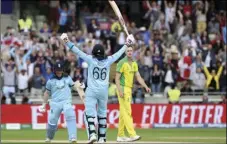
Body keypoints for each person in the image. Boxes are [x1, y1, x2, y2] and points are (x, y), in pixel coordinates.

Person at [60, 33, 135, 143]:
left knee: (89, 113)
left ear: (94, 53)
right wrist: (127, 44)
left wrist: (66, 41)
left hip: (92, 90)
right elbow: (119, 54)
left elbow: (76, 50)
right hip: (104, 92)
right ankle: (102, 138)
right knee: (102, 114)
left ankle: (92, 134)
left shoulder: (90, 59)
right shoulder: (109, 60)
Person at [38, 62, 82, 143]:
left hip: (66, 101)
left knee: (70, 115)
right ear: (54, 70)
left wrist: (79, 86)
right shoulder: (50, 81)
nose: (59, 72)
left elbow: (74, 87)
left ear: (63, 70)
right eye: (57, 70)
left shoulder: (68, 78)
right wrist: (44, 104)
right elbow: (47, 93)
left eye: (60, 70)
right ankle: (49, 137)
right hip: (55, 103)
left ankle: (72, 137)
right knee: (52, 120)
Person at [115, 46, 151, 142]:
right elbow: (117, 79)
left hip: (128, 89)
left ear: (133, 52)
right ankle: (132, 134)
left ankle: (120, 135)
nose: (130, 52)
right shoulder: (121, 62)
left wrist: (145, 86)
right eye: (128, 51)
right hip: (122, 88)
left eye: (131, 50)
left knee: (123, 112)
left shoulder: (134, 63)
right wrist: (120, 90)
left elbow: (138, 77)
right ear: (125, 52)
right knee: (127, 111)